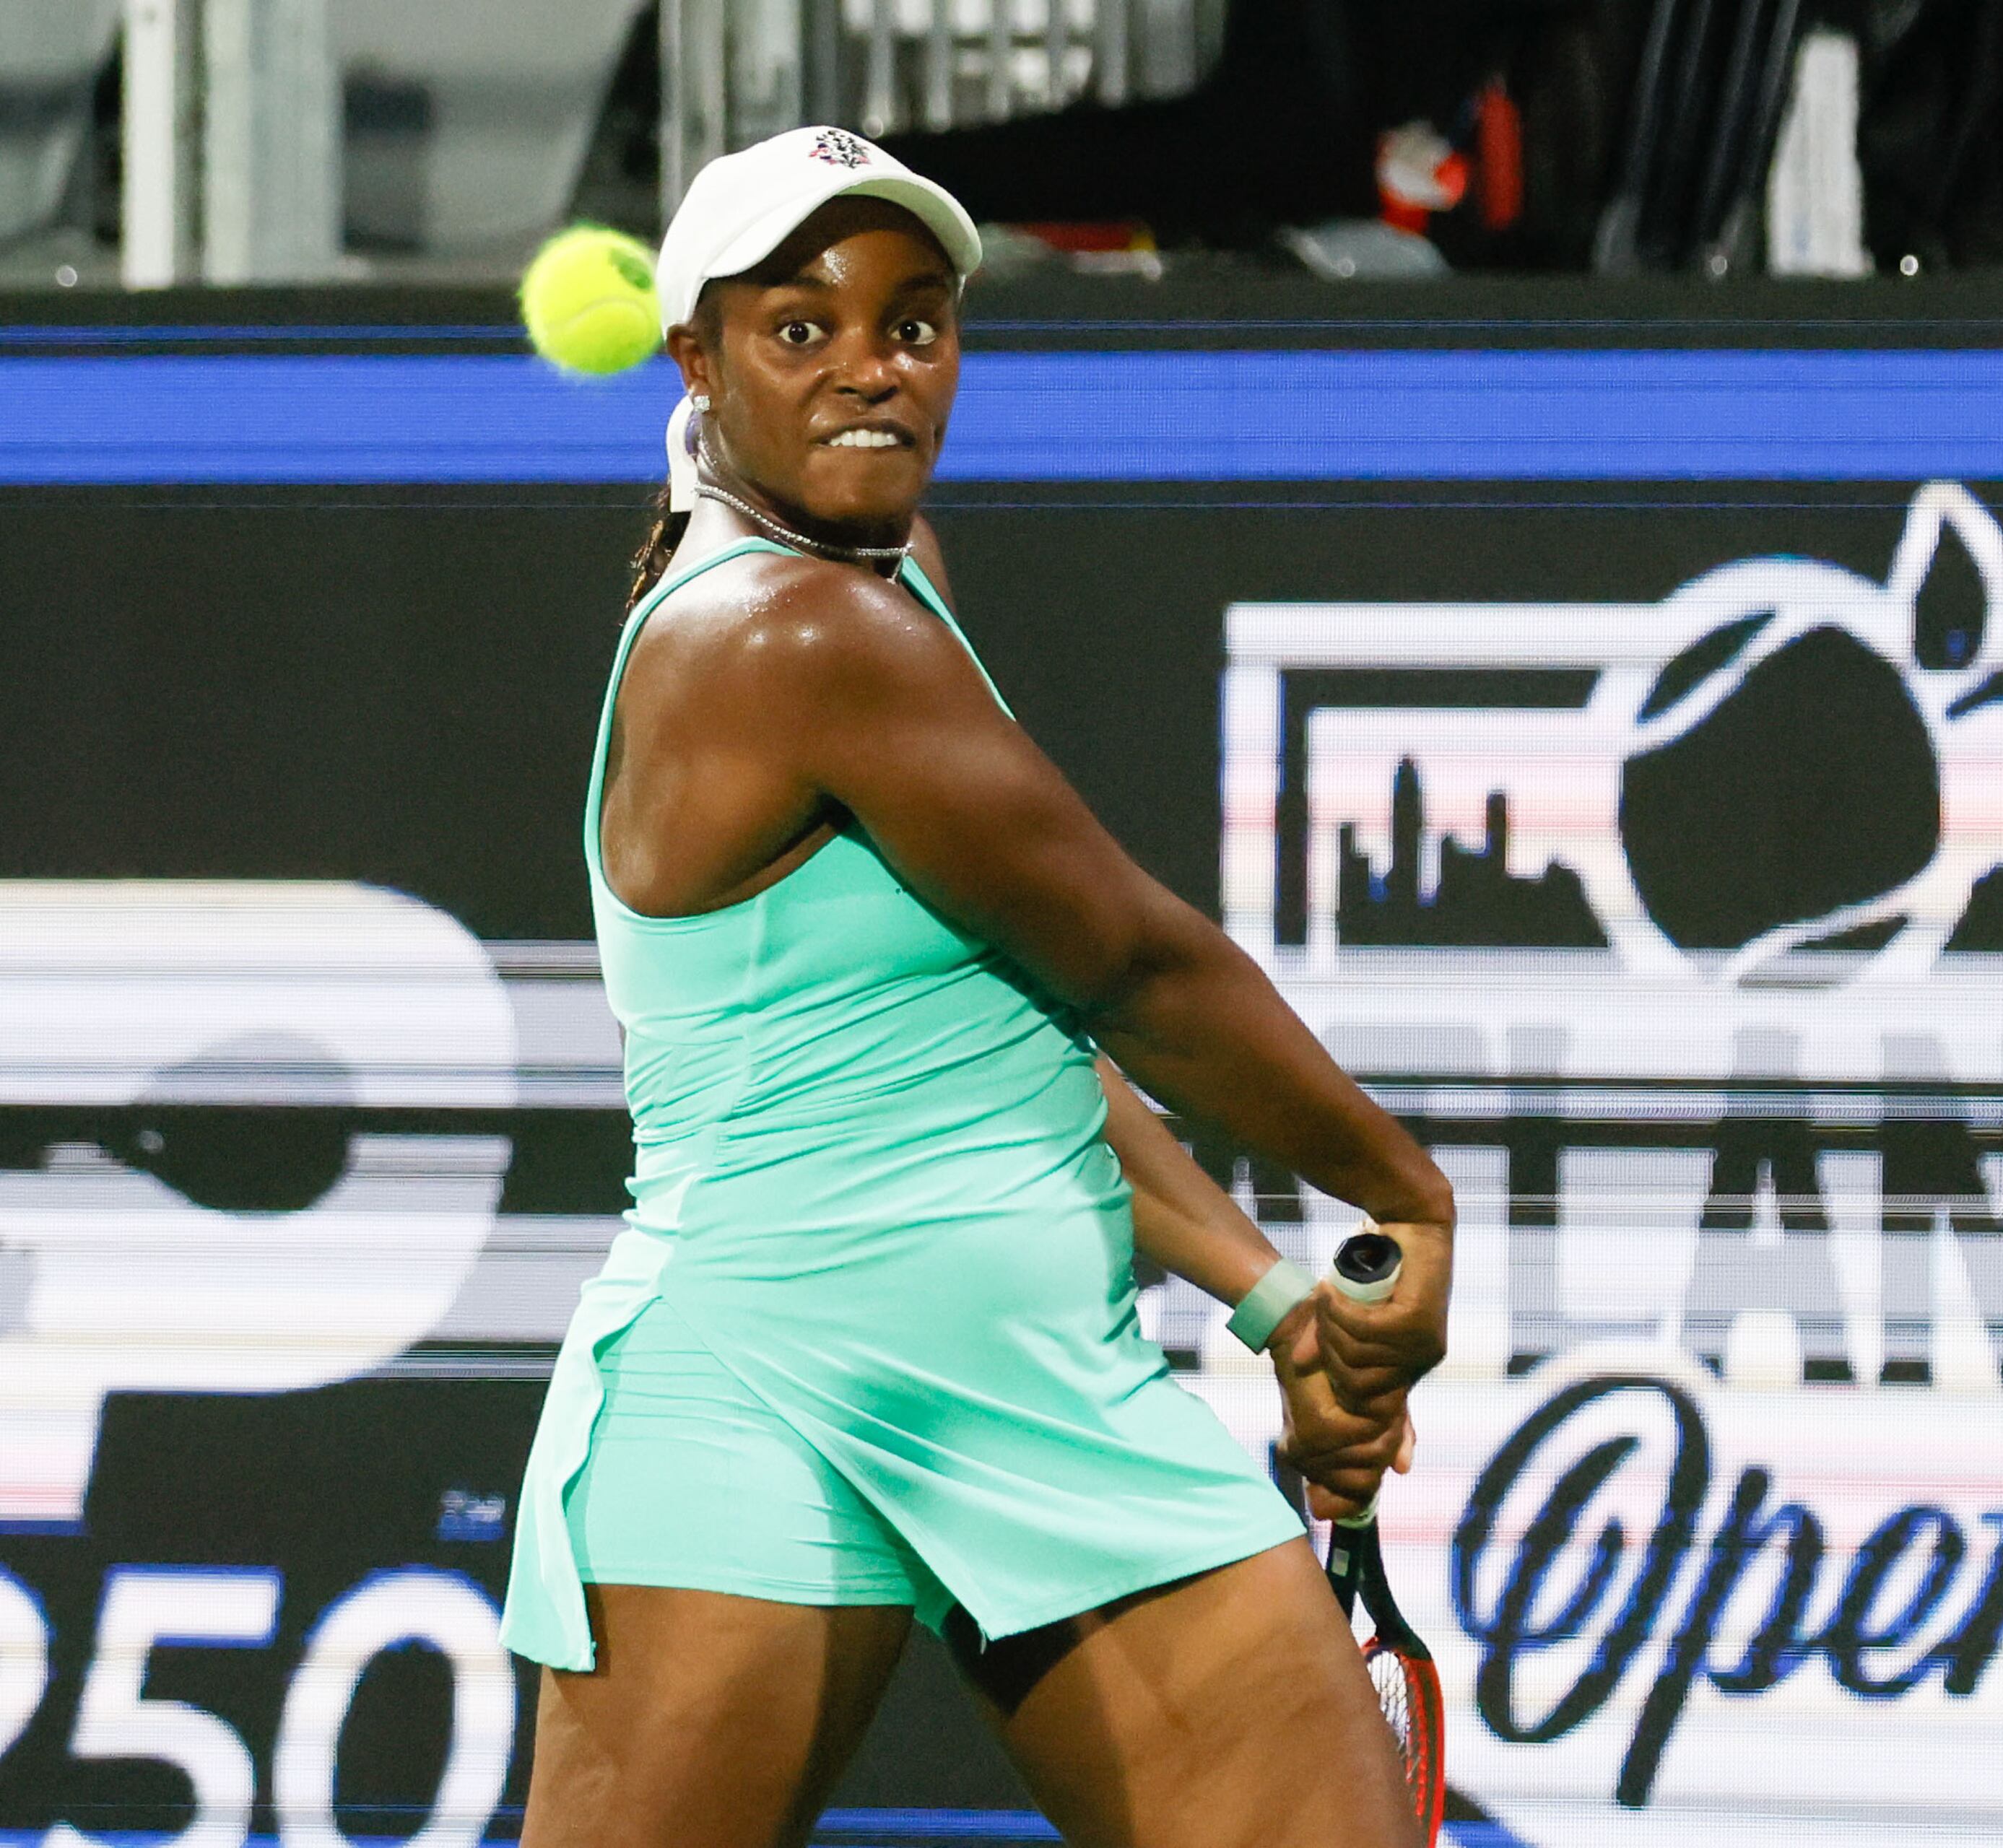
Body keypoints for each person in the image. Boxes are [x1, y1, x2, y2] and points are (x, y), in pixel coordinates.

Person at [498, 126, 1455, 1848]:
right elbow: (1132, 961)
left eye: (915, 324)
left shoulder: (895, 574)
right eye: (801, 329)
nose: (871, 370)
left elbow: (1010, 1027)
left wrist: (1263, 1295)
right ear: (696, 359)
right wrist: (1408, 1195)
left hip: (1037, 1386)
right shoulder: (795, 638)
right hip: (752, 1394)